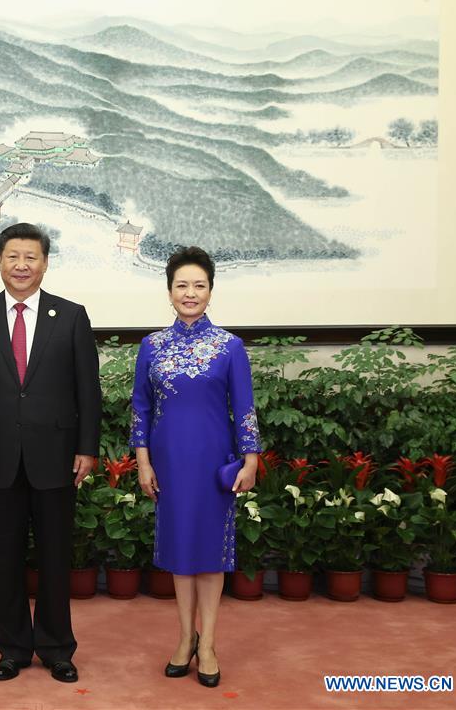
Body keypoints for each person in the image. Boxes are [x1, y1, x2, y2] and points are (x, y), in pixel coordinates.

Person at [0, 222, 102, 684]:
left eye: (31, 257)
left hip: (57, 455)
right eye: (12, 256)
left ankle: (58, 648)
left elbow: (88, 391)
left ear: (44, 262)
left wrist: (87, 448)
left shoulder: (72, 315)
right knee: (5, 557)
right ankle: (13, 648)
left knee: (57, 558)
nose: (21, 265)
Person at [131, 246, 261, 688]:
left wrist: (252, 460)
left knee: (209, 556)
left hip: (212, 464)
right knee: (180, 556)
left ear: (210, 291)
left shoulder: (230, 347)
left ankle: (208, 644)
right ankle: (185, 638)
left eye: (199, 285)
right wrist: (143, 463)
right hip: (167, 465)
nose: (190, 293)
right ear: (169, 292)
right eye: (182, 285)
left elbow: (244, 408)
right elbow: (140, 411)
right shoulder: (151, 346)